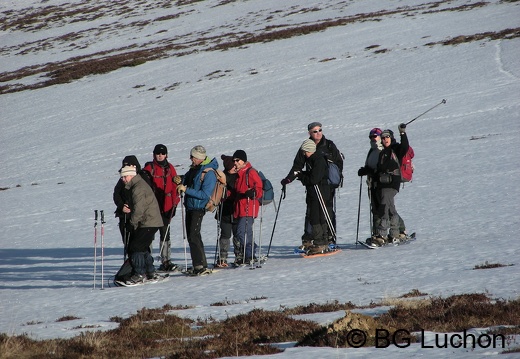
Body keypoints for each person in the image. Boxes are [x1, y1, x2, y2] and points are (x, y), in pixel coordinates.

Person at [281, 121, 343, 244]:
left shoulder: (329, 145)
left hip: (327, 185)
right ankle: (309, 237)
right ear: (309, 133)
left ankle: (329, 237)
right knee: (312, 212)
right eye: (315, 131)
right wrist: (289, 179)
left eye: (320, 130)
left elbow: (338, 164)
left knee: (327, 211)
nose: (318, 133)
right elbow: (297, 166)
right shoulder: (306, 146)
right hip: (313, 186)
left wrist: (333, 178)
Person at [176, 145, 218, 275]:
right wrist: (180, 179)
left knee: (193, 236)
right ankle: (199, 264)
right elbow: (189, 179)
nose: (190, 159)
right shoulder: (196, 169)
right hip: (190, 206)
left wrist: (186, 189)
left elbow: (205, 194)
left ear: (199, 158)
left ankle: (200, 265)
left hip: (198, 208)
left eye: (192, 157)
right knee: (193, 236)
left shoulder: (208, 173)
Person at [358, 128, 408, 239]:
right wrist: (366, 171)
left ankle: (392, 232)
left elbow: (404, 148)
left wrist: (403, 133)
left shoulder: (389, 150)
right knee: (379, 209)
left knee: (385, 208)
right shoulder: (374, 151)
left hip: (388, 183)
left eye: (375, 136)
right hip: (376, 184)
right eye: (371, 137)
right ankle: (381, 233)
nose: (373, 139)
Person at [119, 165, 164, 284]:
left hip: (149, 221)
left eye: (125, 177)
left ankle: (139, 274)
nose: (123, 179)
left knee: (136, 247)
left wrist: (131, 223)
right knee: (143, 247)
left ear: (131, 175)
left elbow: (139, 210)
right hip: (150, 221)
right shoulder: (137, 185)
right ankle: (150, 272)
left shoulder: (138, 187)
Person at [369, 124, 409, 246]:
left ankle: (382, 234)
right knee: (390, 208)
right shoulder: (383, 153)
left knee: (383, 207)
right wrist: (367, 171)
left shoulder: (395, 149)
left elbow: (405, 146)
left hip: (392, 183)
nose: (385, 139)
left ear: (391, 138)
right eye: (383, 137)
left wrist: (402, 133)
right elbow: (380, 170)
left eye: (387, 137)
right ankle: (395, 233)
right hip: (382, 184)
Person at [143, 144, 180, 272]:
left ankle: (166, 261)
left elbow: (176, 187)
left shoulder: (170, 168)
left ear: (166, 155)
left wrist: (175, 204)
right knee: (149, 235)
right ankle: (147, 261)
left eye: (162, 153)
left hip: (167, 207)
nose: (160, 155)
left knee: (165, 234)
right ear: (154, 155)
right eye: (158, 153)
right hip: (152, 208)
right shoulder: (149, 168)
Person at [292, 139, 331, 254]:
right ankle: (322, 242)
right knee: (317, 216)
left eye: (306, 152)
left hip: (319, 193)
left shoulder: (318, 160)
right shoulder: (314, 159)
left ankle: (320, 243)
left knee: (316, 217)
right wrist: (302, 174)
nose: (304, 154)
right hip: (315, 192)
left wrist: (303, 177)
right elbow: (313, 175)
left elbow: (314, 179)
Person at [113, 155, 150, 259]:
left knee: (141, 244)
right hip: (124, 215)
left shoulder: (142, 177)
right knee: (128, 243)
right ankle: (132, 266)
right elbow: (116, 194)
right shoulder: (123, 179)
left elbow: (145, 197)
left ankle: (143, 267)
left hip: (140, 216)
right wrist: (121, 206)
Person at [232, 150, 263, 265]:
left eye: (237, 160)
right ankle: (249, 254)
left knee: (242, 232)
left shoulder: (250, 172)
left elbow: (259, 189)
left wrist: (253, 192)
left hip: (248, 206)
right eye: (234, 160)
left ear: (243, 161)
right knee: (244, 232)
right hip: (240, 207)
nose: (235, 162)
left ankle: (250, 254)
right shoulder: (239, 174)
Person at [215, 155, 239, 267]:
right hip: (224, 211)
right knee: (225, 234)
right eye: (233, 166)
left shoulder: (240, 176)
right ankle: (222, 258)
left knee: (237, 234)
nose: (236, 167)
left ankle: (239, 256)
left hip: (237, 210)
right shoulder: (222, 177)